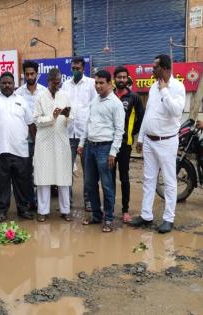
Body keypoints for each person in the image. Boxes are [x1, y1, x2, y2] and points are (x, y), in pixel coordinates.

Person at [129, 54, 185, 233]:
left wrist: (164, 90)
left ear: (166, 69)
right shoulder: (153, 87)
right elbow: (149, 114)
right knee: (148, 179)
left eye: (155, 67)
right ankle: (146, 215)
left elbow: (176, 111)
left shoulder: (177, 87)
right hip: (149, 141)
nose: (152, 70)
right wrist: (140, 137)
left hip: (167, 142)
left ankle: (168, 219)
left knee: (169, 181)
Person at [0, 72, 35, 222]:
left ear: (14, 84)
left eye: (9, 83)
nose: (7, 85)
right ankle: (1, 211)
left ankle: (23, 209)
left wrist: (36, 144)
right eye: (4, 83)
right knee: (1, 183)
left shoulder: (22, 101)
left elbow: (30, 124)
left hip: (20, 149)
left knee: (22, 182)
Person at [78, 70, 125, 233]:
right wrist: (82, 143)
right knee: (90, 184)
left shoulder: (116, 104)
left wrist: (113, 152)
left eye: (101, 83)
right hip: (90, 146)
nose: (98, 86)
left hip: (105, 148)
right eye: (96, 83)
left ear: (109, 84)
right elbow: (87, 123)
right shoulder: (94, 100)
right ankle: (97, 215)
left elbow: (120, 130)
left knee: (107, 185)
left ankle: (109, 218)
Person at [33, 68, 72, 222]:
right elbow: (36, 120)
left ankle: (65, 210)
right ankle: (42, 211)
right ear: (48, 81)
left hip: (61, 140)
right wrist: (52, 117)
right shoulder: (40, 97)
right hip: (44, 141)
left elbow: (72, 119)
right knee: (43, 176)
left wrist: (68, 116)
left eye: (59, 82)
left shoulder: (65, 96)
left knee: (63, 176)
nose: (57, 85)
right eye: (55, 83)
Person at [62, 56, 97, 211]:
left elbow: (95, 108)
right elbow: (63, 106)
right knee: (66, 170)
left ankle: (88, 201)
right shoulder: (65, 85)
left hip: (85, 135)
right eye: (73, 68)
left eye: (78, 68)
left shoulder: (91, 84)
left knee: (87, 171)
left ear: (84, 69)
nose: (75, 71)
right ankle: (66, 202)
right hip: (68, 134)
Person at [112, 66, 145, 223]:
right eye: (119, 77)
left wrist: (132, 133)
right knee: (109, 178)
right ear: (114, 79)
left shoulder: (134, 97)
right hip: (109, 144)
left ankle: (125, 210)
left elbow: (141, 117)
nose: (122, 80)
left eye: (124, 77)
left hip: (125, 144)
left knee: (124, 177)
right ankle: (109, 208)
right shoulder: (109, 95)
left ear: (128, 79)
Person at [16, 61, 47, 210]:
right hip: (25, 139)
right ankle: (29, 201)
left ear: (37, 74)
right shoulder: (18, 93)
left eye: (32, 74)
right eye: (27, 74)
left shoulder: (44, 92)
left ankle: (41, 203)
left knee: (41, 170)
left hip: (42, 137)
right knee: (26, 171)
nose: (29, 76)